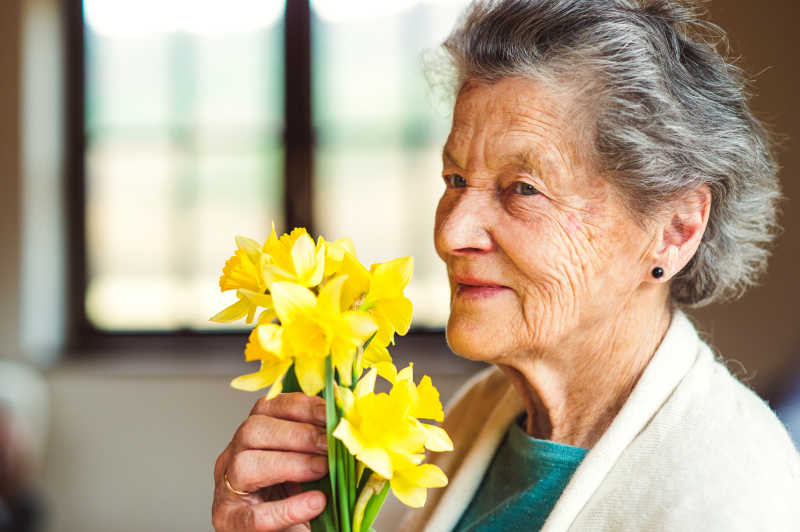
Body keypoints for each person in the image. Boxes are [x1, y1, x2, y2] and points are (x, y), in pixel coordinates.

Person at [211, 1, 800, 530]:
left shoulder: (734, 498)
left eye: (522, 188)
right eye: (455, 179)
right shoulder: (476, 419)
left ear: (675, 230)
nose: (450, 233)